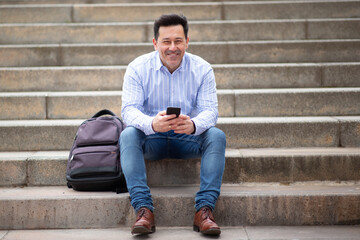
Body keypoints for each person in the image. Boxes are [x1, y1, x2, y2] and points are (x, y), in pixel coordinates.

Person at [120, 13, 226, 236]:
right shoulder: (137, 68)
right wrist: (151, 123)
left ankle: (204, 211)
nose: (172, 48)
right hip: (151, 139)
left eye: (178, 41)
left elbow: (211, 111)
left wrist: (194, 125)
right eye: (166, 41)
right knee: (128, 134)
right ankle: (143, 209)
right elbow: (128, 110)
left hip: (187, 138)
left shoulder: (203, 68)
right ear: (155, 43)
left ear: (187, 41)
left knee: (216, 136)